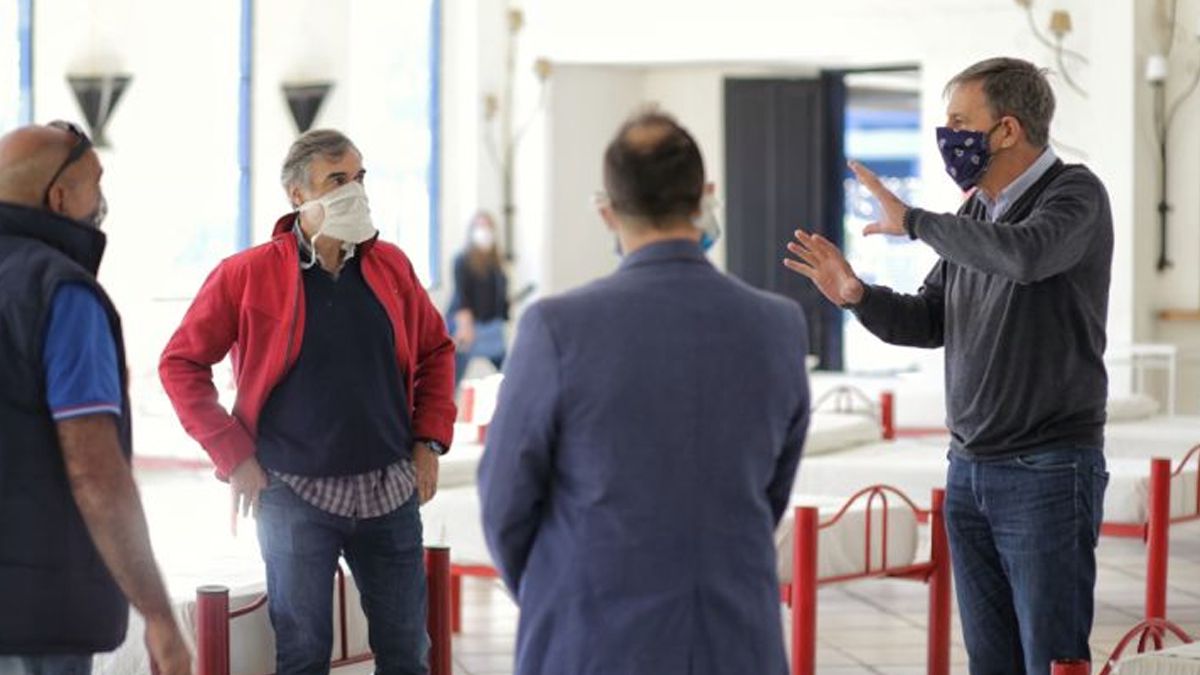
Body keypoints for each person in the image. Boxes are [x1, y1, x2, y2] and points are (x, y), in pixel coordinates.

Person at [784, 57, 1112, 674]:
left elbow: (1026, 257)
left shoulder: (1075, 194)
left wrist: (912, 222)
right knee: (991, 660)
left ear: (1008, 130)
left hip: (1046, 470)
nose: (948, 136)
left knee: (1053, 659)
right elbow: (931, 319)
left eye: (960, 122)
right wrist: (858, 294)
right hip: (969, 471)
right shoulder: (974, 215)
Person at [478, 109, 811, 675]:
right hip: (733, 633)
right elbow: (771, 489)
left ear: (607, 211)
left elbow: (505, 502)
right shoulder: (778, 325)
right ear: (705, 197)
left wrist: (557, 589)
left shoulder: (558, 328)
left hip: (594, 633)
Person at [159, 129, 456, 674]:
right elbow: (180, 363)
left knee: (409, 652)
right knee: (302, 655)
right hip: (294, 497)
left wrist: (427, 441)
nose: (355, 191)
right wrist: (234, 456)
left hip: (390, 491)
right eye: (337, 180)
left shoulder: (390, 266)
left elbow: (437, 350)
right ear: (298, 195)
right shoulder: (247, 274)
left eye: (360, 177)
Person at [0, 122, 192, 675]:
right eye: (95, 182)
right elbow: (95, 473)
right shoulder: (61, 294)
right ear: (59, 197)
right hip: (35, 614)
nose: (102, 198)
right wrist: (158, 614)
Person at [448, 211, 509, 386]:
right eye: (480, 226)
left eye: (488, 226)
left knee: (508, 373)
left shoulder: (497, 262)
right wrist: (465, 327)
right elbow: (462, 296)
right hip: (468, 327)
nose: (484, 230)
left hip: (492, 327)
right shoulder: (462, 260)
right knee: (452, 378)